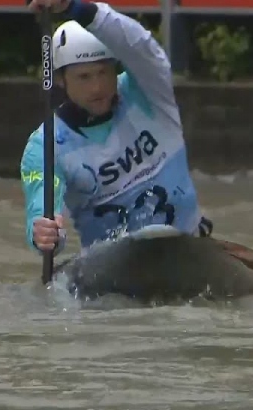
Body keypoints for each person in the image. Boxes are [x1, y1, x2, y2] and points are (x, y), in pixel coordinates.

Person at [21, 0, 213, 255]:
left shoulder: (149, 91)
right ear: (61, 80)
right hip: (114, 265)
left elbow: (138, 44)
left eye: (103, 73)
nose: (97, 88)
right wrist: (45, 236)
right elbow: (42, 213)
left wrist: (74, 7)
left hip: (189, 242)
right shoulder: (45, 145)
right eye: (84, 77)